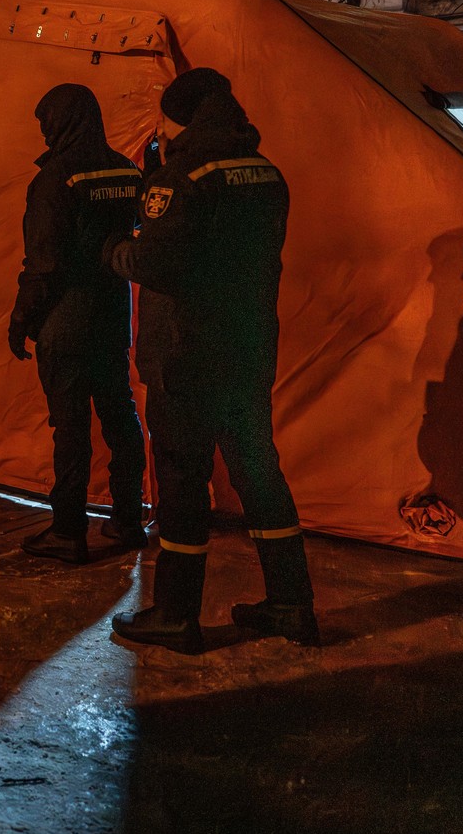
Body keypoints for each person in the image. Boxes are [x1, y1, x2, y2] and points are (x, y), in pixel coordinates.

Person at [106, 68, 318, 653]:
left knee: (181, 481)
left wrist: (118, 250)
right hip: (249, 346)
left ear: (182, 118)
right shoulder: (266, 172)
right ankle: (292, 603)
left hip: (186, 351)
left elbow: (157, 262)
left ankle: (176, 614)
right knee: (259, 471)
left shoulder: (183, 176)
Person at [9, 84, 149, 564]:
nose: (45, 130)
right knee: (119, 413)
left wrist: (21, 318)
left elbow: (44, 263)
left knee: (70, 426)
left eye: (47, 120)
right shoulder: (128, 170)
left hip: (65, 319)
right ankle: (129, 519)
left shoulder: (54, 179)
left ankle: (67, 531)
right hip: (112, 313)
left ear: (65, 120)